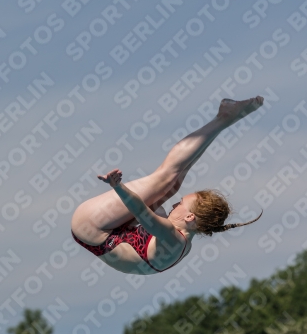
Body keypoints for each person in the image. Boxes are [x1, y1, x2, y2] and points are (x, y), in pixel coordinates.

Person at [71, 97, 264, 275]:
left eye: (179, 204)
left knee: (165, 178)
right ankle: (224, 120)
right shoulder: (185, 239)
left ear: (190, 217)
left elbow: (140, 211)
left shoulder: (173, 239)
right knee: (172, 184)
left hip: (92, 225)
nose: (174, 205)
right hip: (115, 234)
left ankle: (224, 118)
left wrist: (117, 186)